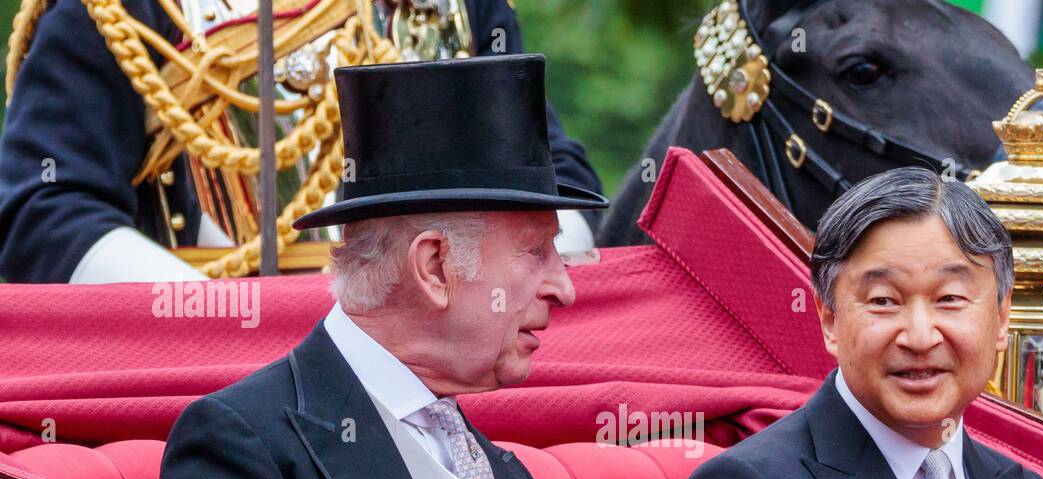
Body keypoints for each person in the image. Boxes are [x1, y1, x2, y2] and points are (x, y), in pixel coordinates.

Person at [154, 55, 608, 479]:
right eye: (535, 251)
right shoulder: (241, 448)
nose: (565, 287)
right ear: (434, 266)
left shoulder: (497, 469)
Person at [658, 167, 1043, 479]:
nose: (919, 336)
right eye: (883, 301)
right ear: (830, 320)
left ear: (1002, 319)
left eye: (950, 298)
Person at [0, 0, 602, 283]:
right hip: (219, 378)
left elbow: (549, 170)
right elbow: (44, 212)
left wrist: (521, 282)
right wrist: (222, 323)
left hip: (459, 353)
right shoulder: (125, 12)